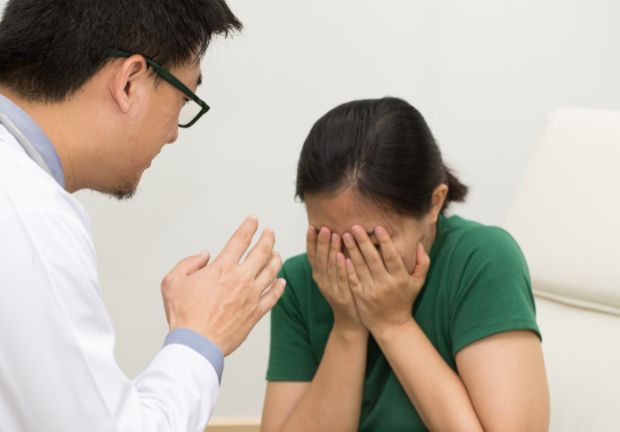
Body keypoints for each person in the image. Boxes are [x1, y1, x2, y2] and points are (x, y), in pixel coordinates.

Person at [0, 1, 286, 431]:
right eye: (184, 98)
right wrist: (201, 335)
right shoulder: (30, 215)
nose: (173, 135)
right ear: (130, 81)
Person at [261, 97, 550, 431]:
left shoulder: (482, 260)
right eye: (329, 238)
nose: (350, 262)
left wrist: (394, 323)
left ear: (434, 204)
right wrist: (348, 327)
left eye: (372, 243)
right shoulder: (300, 281)